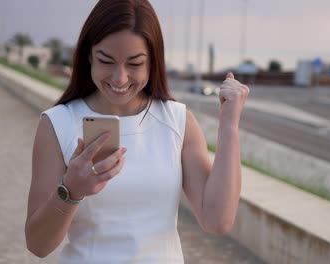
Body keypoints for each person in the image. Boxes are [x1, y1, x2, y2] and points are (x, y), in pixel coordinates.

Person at [25, 0, 249, 263]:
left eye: (134, 63)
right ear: (88, 56)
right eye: (106, 61)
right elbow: (38, 245)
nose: (120, 78)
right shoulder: (57, 123)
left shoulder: (177, 121)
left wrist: (229, 125)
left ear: (153, 61)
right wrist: (71, 190)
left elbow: (217, 221)